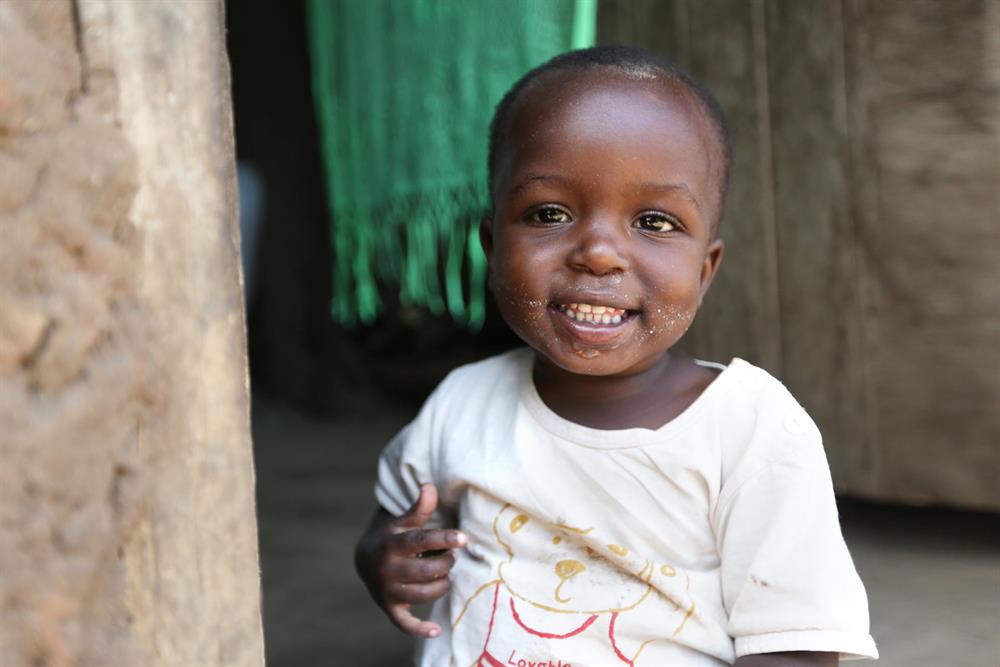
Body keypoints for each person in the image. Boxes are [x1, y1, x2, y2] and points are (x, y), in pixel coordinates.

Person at [355, 46, 878, 666]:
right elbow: (387, 531)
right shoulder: (463, 402)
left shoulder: (750, 430)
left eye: (655, 222)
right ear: (492, 249)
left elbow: (797, 645)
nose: (599, 253)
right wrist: (386, 562)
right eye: (549, 213)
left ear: (705, 271)